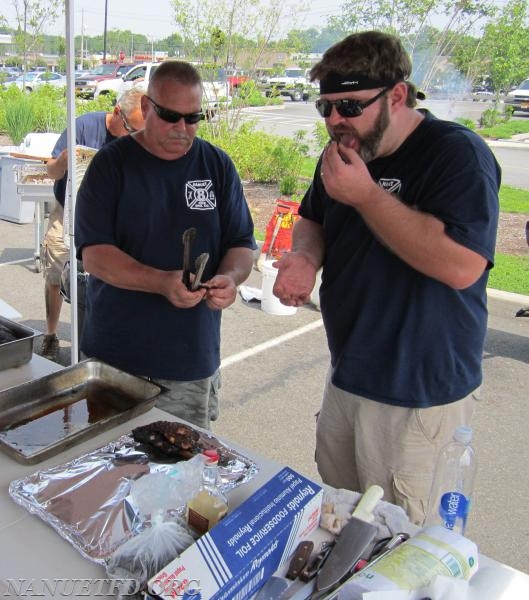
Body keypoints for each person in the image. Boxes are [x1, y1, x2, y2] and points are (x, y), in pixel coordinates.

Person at [273, 31, 500, 525]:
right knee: (340, 519)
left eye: (350, 106)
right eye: (325, 108)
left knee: (401, 537)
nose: (335, 121)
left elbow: (462, 266)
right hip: (348, 374)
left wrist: (367, 196)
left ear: (396, 95)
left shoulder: (456, 155)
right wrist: (305, 259)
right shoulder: (342, 152)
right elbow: (312, 217)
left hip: (416, 394)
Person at [74, 60, 256, 430]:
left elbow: (241, 242)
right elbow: (95, 256)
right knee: (107, 469)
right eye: (171, 116)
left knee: (180, 474)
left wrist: (231, 279)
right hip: (116, 359)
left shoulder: (217, 166)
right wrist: (159, 281)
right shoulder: (111, 166)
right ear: (145, 107)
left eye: (193, 118)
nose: (182, 129)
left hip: (189, 361)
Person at [38, 88, 145, 361]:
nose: (136, 137)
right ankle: (51, 335)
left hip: (109, 219)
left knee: (105, 279)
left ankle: (98, 342)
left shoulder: (139, 142)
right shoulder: (84, 126)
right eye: (132, 128)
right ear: (118, 113)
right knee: (55, 273)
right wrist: (63, 160)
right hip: (69, 211)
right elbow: (49, 170)